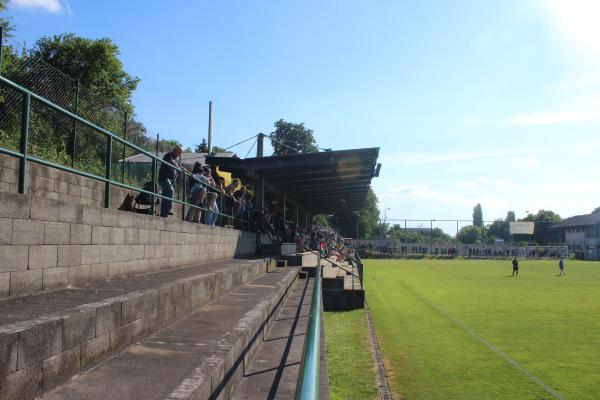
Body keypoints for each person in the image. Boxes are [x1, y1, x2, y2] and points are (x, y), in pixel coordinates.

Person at [158, 146, 183, 217]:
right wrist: (177, 167)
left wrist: (187, 172)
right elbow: (171, 162)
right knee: (170, 190)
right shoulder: (169, 155)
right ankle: (168, 209)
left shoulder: (176, 158)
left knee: (166, 194)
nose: (180, 154)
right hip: (164, 178)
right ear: (176, 151)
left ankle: (163, 213)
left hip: (169, 179)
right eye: (179, 152)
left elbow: (180, 166)